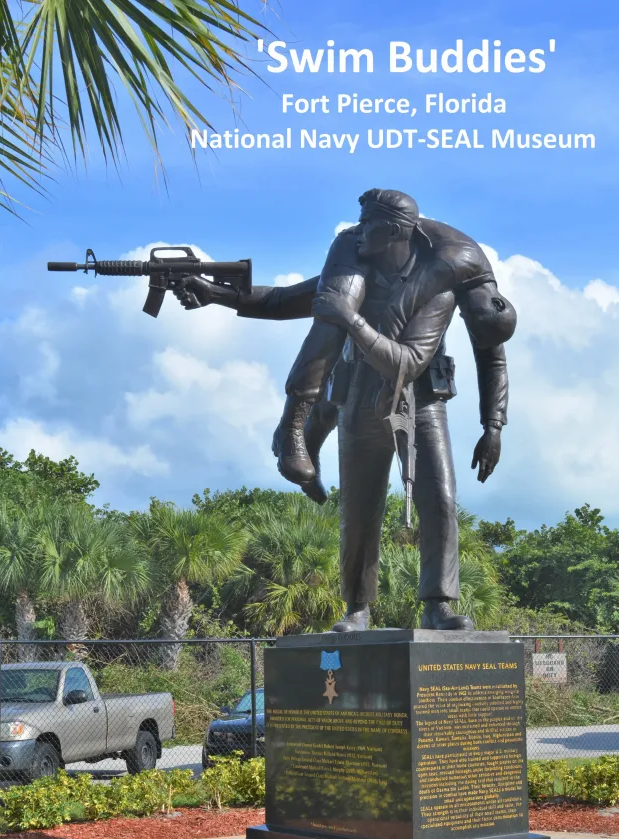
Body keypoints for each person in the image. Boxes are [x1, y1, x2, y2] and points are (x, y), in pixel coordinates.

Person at [174, 190, 516, 632]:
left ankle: (438, 604)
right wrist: (217, 295)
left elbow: (487, 355)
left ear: (393, 230)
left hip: (419, 401)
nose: (355, 232)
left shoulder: (446, 283)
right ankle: (357, 607)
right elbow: (282, 300)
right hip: (358, 394)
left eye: (366, 224)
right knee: (359, 507)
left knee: (441, 501)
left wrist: (493, 426)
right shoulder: (356, 263)